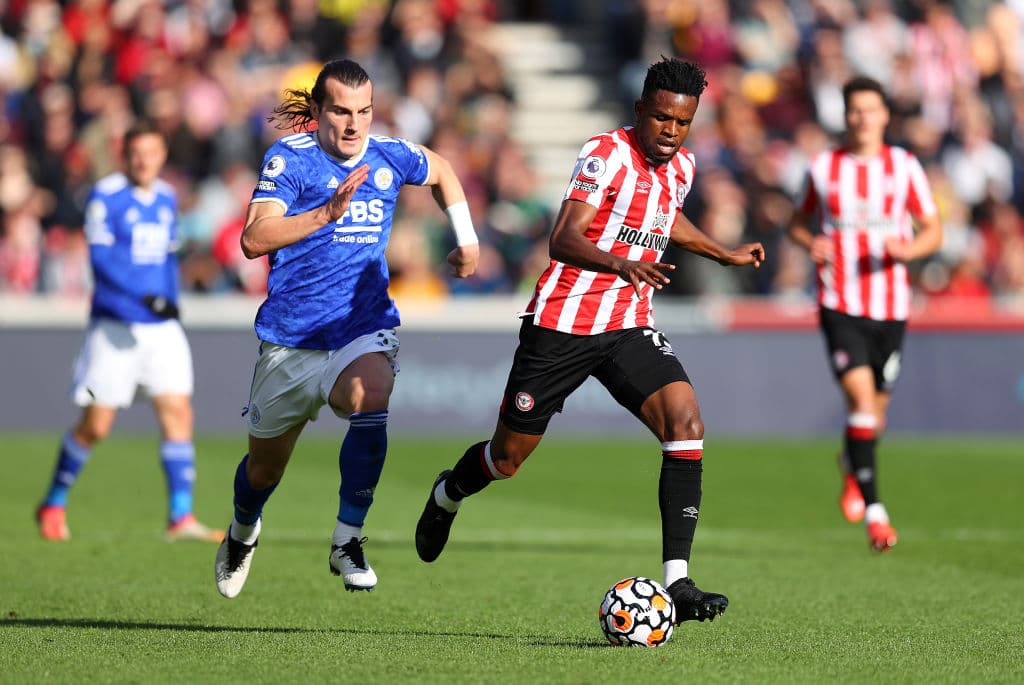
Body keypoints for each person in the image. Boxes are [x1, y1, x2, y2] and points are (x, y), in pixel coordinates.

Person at [414, 57, 765, 623]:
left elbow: (665, 217)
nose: (671, 131)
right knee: (506, 459)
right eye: (661, 119)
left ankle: (678, 581)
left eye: (682, 122)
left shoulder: (682, 168)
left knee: (686, 423)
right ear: (639, 112)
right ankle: (447, 494)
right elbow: (563, 238)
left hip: (628, 324)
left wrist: (721, 251)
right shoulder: (604, 154)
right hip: (563, 324)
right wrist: (621, 262)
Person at [214, 59, 480, 598]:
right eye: (340, 110)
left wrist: (467, 238)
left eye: (364, 111)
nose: (354, 124)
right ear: (316, 112)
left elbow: (444, 170)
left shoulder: (389, 155)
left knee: (371, 392)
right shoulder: (291, 158)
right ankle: (243, 530)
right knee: (263, 473)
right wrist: (324, 214)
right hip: (291, 339)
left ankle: (347, 539)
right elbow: (254, 238)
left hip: (359, 328)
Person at [36, 120, 223, 544]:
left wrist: (170, 302)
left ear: (162, 156)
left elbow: (166, 261)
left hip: (162, 328)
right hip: (117, 325)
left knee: (178, 412)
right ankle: (53, 501)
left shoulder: (166, 197)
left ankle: (180, 517)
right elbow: (102, 262)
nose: (144, 161)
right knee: (96, 425)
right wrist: (145, 297)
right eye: (137, 153)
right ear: (125, 155)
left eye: (152, 153)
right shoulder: (107, 196)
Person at [786, 76, 943, 552]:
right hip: (840, 303)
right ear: (845, 115)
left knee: (875, 416)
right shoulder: (824, 168)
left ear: (884, 115)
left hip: (891, 306)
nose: (862, 118)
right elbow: (798, 222)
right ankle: (878, 515)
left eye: (870, 109)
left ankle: (852, 467)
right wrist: (808, 241)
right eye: (854, 110)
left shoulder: (904, 167)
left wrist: (909, 248)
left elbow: (933, 229)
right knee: (859, 401)